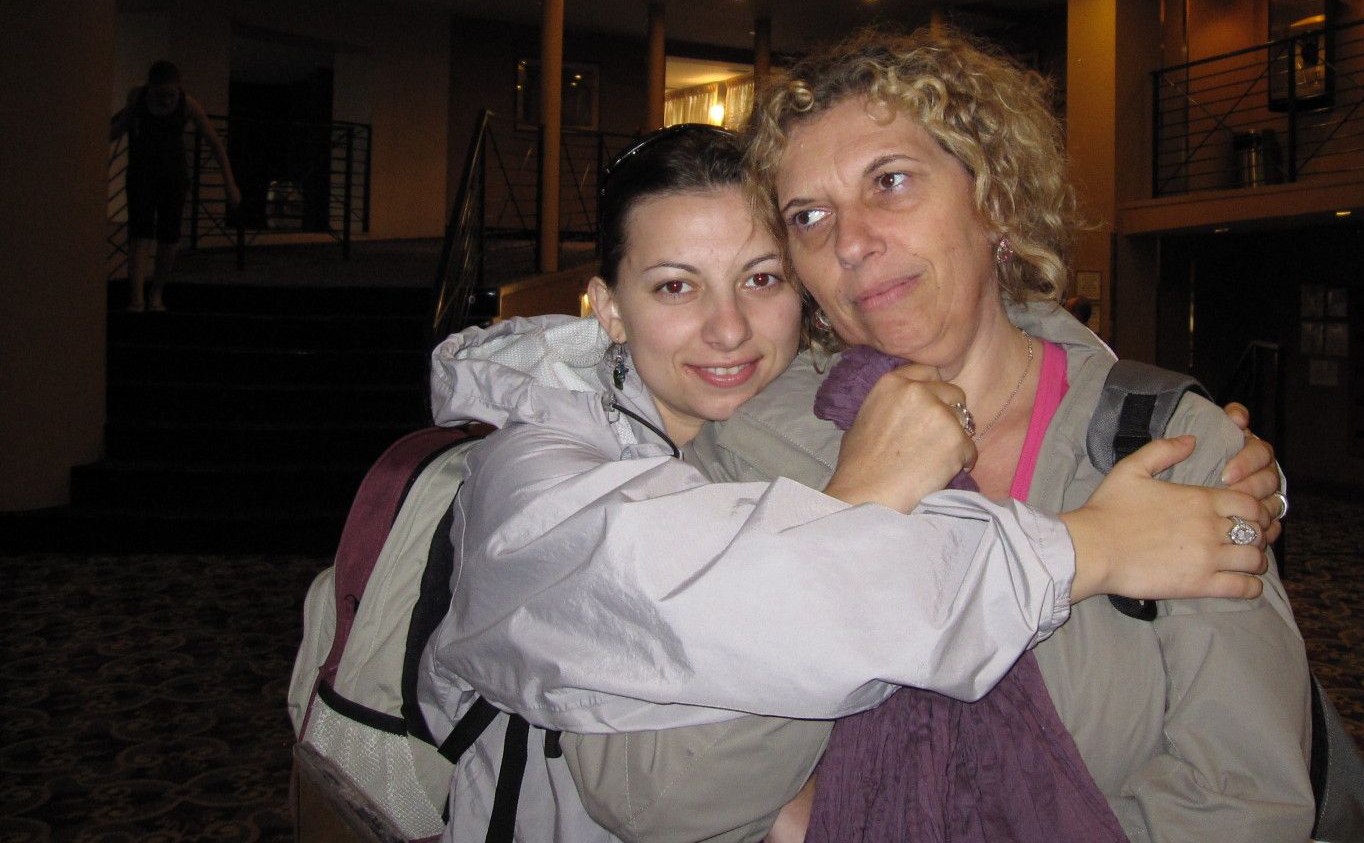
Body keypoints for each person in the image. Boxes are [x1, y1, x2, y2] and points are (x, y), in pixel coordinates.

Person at [417, 124, 1282, 843]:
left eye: (761, 278)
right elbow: (660, 775)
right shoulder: (543, 477)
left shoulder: (791, 421)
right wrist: (877, 501)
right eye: (676, 286)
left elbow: (1246, 790)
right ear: (608, 306)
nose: (728, 329)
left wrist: (1186, 428)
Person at [109, 60, 240, 310]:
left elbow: (215, 143)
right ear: (150, 87)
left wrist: (230, 184)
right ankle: (136, 297)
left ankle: (156, 293)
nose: (167, 101)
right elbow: (122, 126)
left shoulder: (187, 105)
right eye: (161, 95)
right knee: (139, 234)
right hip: (141, 176)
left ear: (178, 88)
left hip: (173, 178)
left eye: (171, 94)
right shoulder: (137, 99)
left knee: (169, 237)